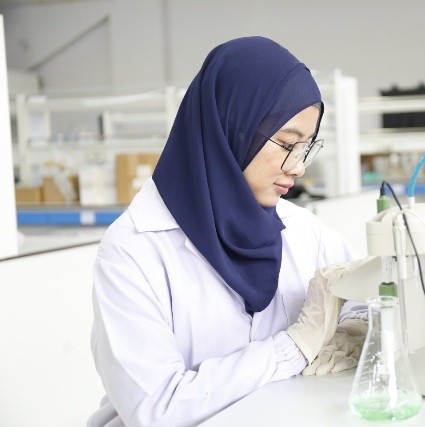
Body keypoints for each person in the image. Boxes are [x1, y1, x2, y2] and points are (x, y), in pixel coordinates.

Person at [88, 36, 369, 426]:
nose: (299, 167)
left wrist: (358, 326)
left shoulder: (302, 230)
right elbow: (157, 409)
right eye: (287, 144)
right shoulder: (134, 249)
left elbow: (363, 298)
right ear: (232, 129)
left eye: (307, 146)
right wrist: (293, 347)